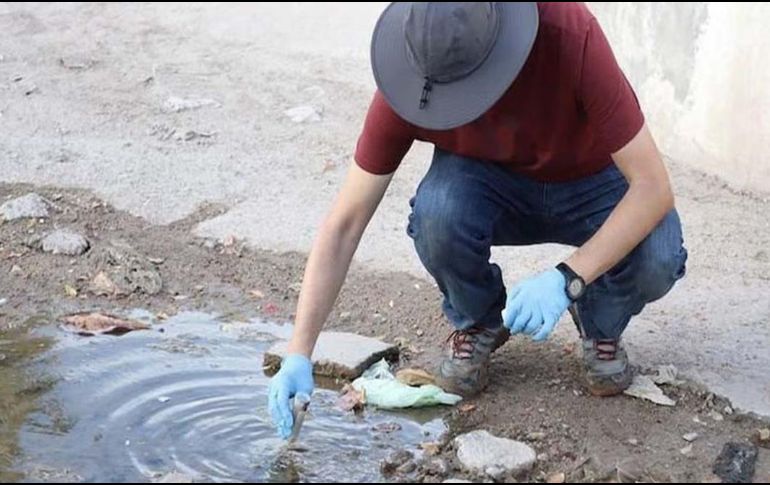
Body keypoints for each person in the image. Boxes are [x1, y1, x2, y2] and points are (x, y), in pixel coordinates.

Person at [268, 2, 687, 439]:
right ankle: (481, 321)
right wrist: (300, 351)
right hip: (487, 183)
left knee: (659, 252)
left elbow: (653, 188)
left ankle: (601, 321)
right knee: (437, 214)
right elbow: (345, 223)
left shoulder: (566, 30)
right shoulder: (414, 71)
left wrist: (569, 279)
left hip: (591, 182)